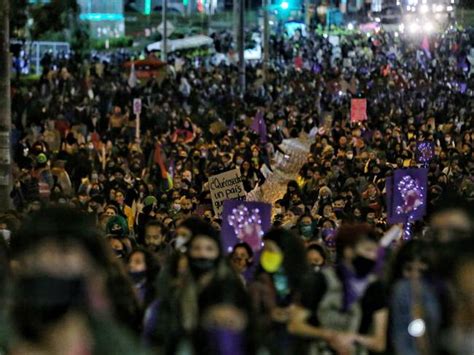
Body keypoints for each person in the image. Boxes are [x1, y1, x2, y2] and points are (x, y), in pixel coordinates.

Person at [288, 224, 388, 354]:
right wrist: (327, 335)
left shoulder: (374, 287)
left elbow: (379, 342)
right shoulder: (321, 281)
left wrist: (353, 338)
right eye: (367, 250)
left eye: (375, 252)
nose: (372, 257)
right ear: (348, 251)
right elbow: (295, 325)